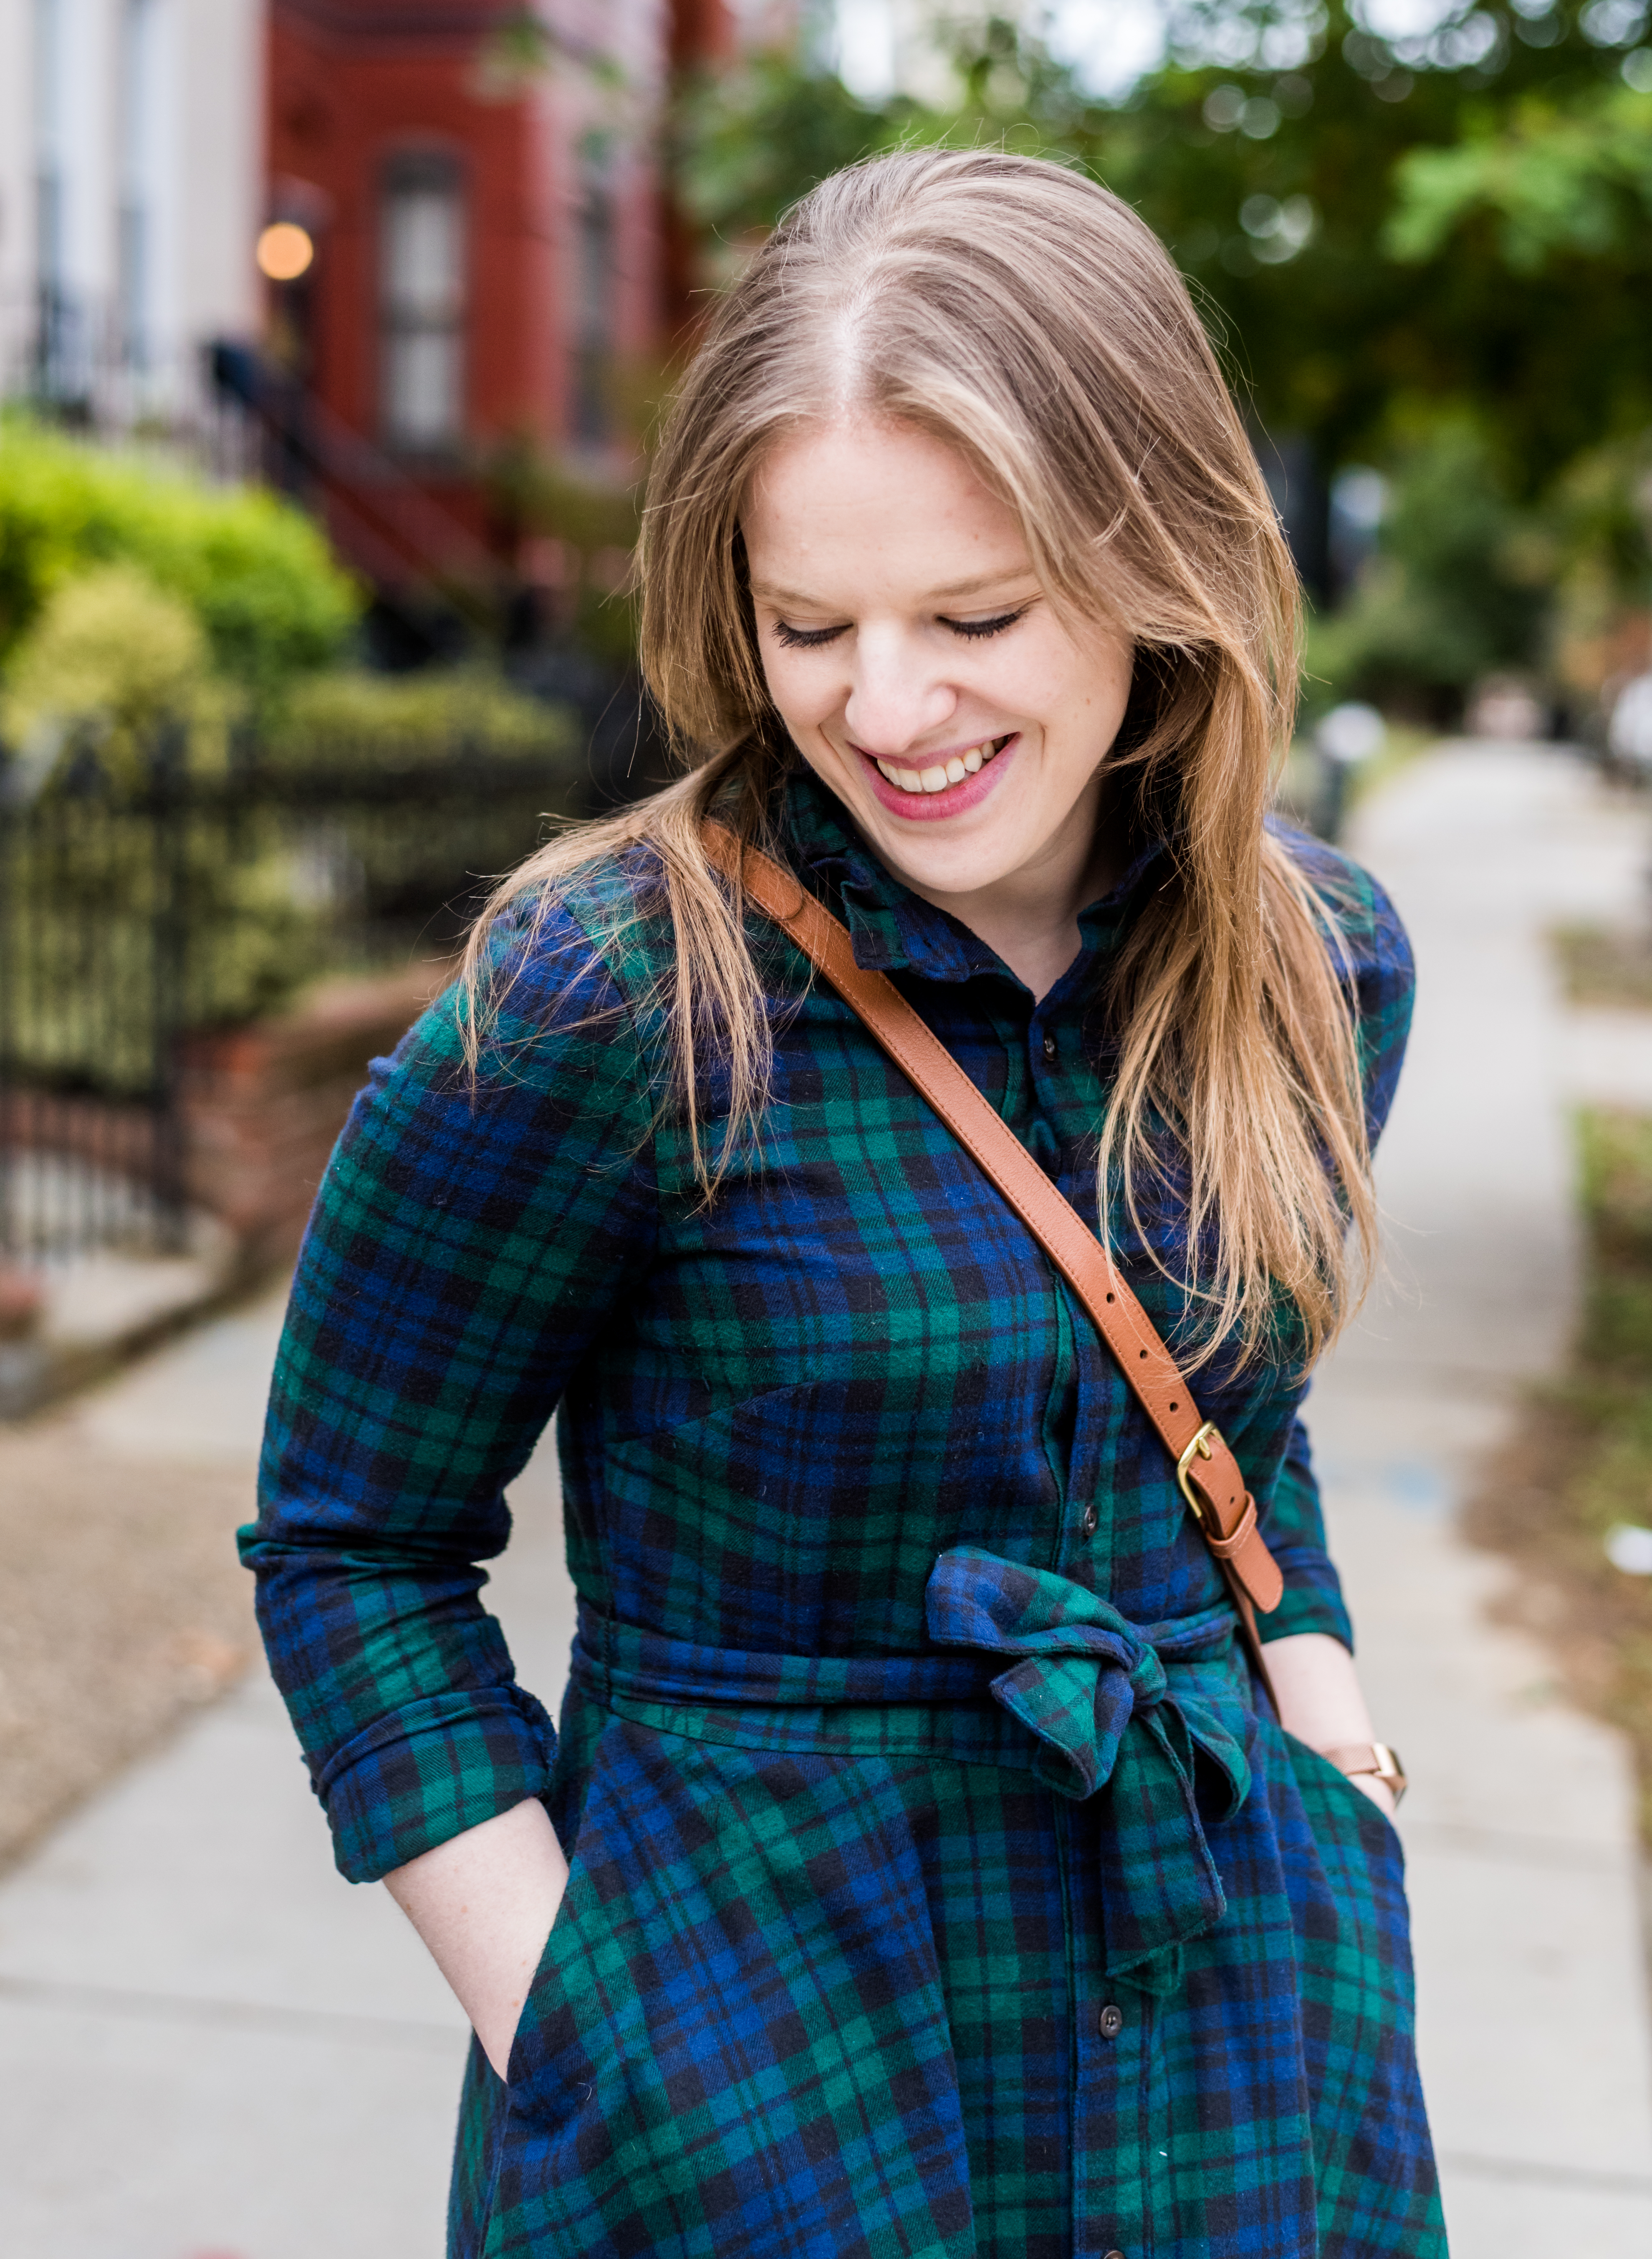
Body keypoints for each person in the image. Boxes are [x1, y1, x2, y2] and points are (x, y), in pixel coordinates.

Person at [241, 149, 1442, 2258]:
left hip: (1237, 2022)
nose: (888, 708)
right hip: (760, 2078)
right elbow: (357, 1542)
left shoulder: (1323, 962)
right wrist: (581, 2019)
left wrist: (1319, 1688)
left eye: (975, 617)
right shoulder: (615, 1000)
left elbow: (1226, 1391)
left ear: (1157, 565)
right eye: (812, 625)